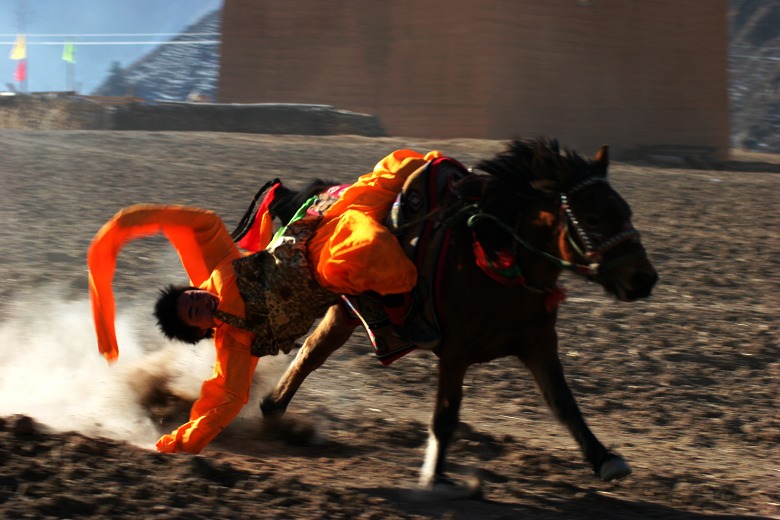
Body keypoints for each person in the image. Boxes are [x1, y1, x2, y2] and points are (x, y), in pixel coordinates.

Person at [87, 149, 444, 454]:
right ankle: (406, 317)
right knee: (367, 247)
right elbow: (222, 401)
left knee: (398, 167)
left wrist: (122, 226)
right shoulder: (237, 343)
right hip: (327, 266)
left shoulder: (222, 271)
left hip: (317, 227)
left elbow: (204, 224)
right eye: (194, 312)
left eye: (192, 295)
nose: (200, 301)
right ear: (200, 331)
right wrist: (176, 444)